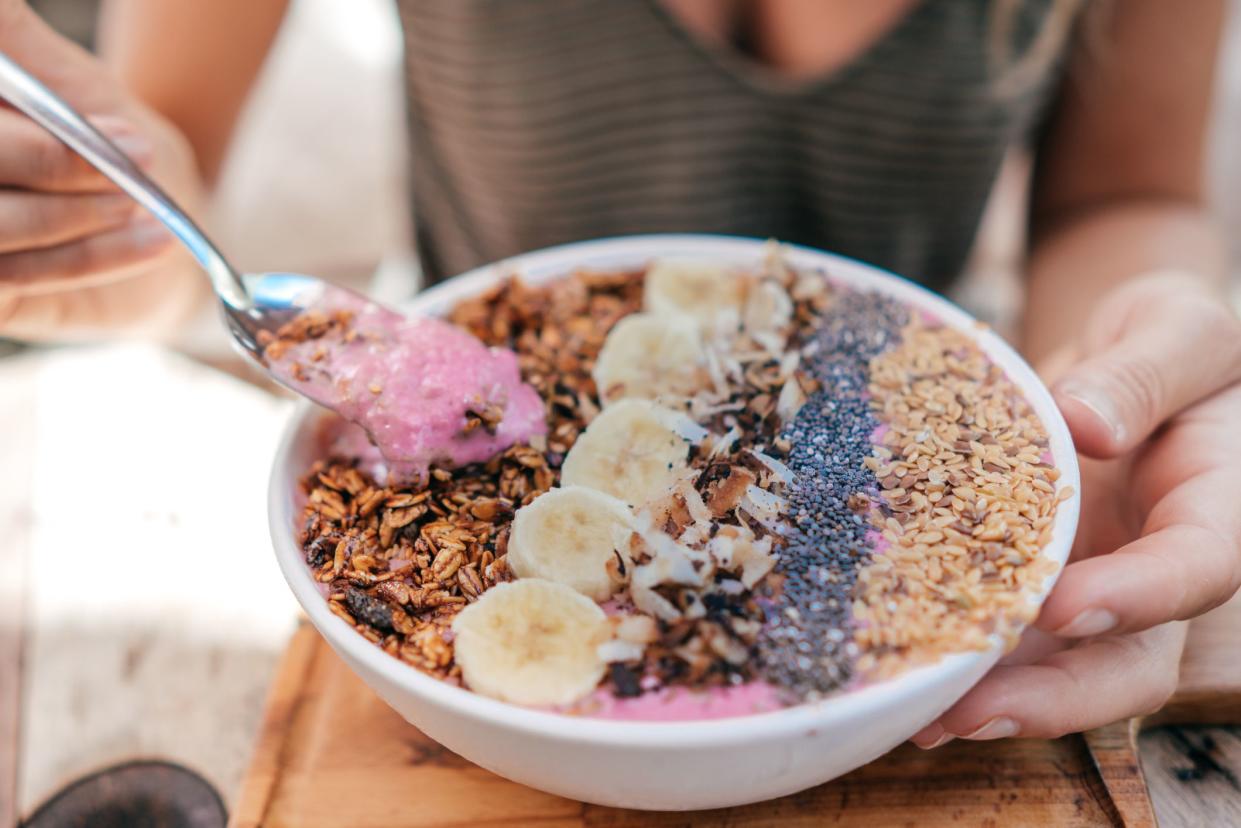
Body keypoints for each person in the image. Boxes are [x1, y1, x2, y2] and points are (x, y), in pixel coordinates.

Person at [1, 0, 1238, 747]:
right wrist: (108, 235)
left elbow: (1124, 192)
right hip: (477, 440)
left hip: (898, 432)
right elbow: (172, 181)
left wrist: (1112, 391)